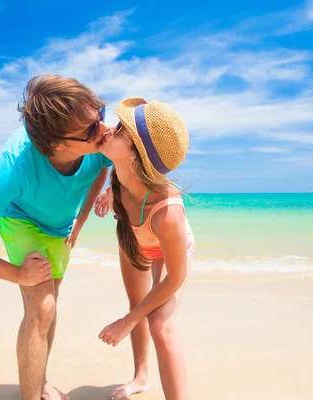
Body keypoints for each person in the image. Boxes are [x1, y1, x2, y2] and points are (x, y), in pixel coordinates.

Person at [0, 74, 112, 400]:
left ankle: (40, 380)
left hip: (61, 225)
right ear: (58, 145)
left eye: (100, 116)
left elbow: (104, 167)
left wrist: (80, 221)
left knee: (50, 304)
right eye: (92, 129)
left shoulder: (99, 140)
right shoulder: (14, 168)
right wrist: (18, 275)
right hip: (21, 220)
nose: (104, 130)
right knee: (42, 306)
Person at [94, 98, 193, 400]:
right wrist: (108, 195)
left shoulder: (167, 212)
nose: (110, 129)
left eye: (121, 130)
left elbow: (174, 279)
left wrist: (127, 322)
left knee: (159, 324)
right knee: (136, 303)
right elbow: (121, 185)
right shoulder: (122, 179)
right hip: (134, 243)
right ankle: (140, 377)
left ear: (136, 156)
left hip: (167, 251)